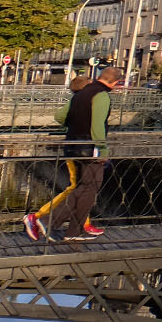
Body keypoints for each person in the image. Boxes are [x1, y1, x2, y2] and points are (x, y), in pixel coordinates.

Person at [31, 67, 122, 242]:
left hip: (72, 145)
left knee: (84, 189)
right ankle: (49, 221)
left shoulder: (81, 93)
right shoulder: (101, 95)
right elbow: (97, 125)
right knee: (88, 188)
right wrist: (102, 150)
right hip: (89, 149)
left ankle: (74, 231)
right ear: (115, 83)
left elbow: (61, 116)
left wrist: (74, 126)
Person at [25, 77, 91, 237]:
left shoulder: (79, 99)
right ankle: (37, 217)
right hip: (78, 148)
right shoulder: (80, 100)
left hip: (77, 146)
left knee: (82, 188)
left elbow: (61, 117)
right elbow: (60, 116)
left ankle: (84, 223)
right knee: (76, 187)